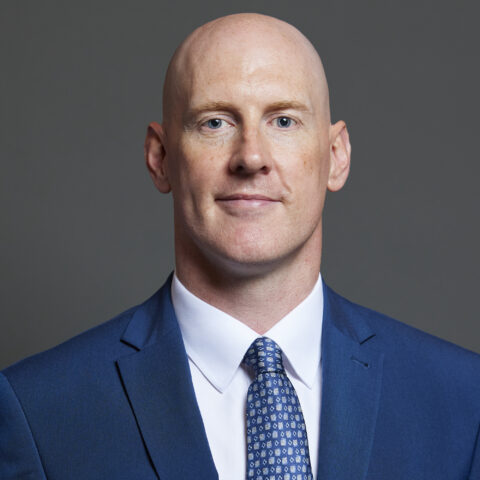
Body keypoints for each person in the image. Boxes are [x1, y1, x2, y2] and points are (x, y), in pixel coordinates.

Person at [1, 12, 479, 480]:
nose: (251, 157)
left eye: (284, 121)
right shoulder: (38, 413)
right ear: (161, 158)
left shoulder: (464, 402)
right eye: (215, 123)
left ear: (336, 156)